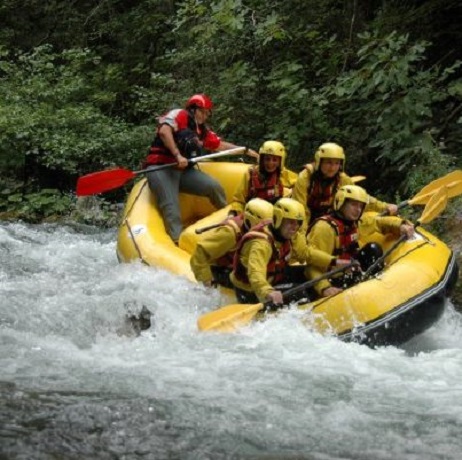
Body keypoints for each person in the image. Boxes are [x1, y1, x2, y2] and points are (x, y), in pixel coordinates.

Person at [143, 94, 259, 243]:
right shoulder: (179, 115)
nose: (205, 116)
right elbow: (164, 132)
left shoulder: (201, 130)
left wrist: (244, 149)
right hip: (161, 168)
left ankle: (232, 220)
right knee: (171, 206)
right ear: (193, 109)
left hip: (183, 171)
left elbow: (220, 145)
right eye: (203, 112)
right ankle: (178, 241)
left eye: (207, 113)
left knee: (213, 186)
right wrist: (178, 155)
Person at [305, 185, 415, 298]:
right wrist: (325, 288)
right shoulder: (323, 228)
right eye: (353, 205)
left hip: (350, 271)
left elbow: (379, 222)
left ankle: (376, 287)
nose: (358, 210)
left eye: (360, 206)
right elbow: (311, 266)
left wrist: (400, 225)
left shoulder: (354, 222)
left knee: (373, 248)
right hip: (331, 278)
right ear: (341, 203)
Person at [230, 197, 342, 306]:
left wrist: (334, 261)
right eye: (290, 222)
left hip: (275, 278)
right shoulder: (261, 243)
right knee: (298, 293)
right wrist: (268, 291)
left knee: (308, 271)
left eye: (298, 222)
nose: (294, 227)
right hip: (252, 291)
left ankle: (324, 292)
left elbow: (306, 254)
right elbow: (256, 273)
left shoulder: (291, 235)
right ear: (278, 219)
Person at [292, 142, 398, 234]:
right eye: (328, 162)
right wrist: (303, 233)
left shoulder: (342, 179)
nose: (332, 168)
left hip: (328, 218)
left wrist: (384, 206)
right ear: (319, 162)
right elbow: (301, 209)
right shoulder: (305, 177)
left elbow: (360, 198)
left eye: (336, 163)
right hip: (309, 217)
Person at [190, 198, 274, 288]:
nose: (267, 229)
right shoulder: (230, 233)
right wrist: (206, 280)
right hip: (221, 270)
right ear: (251, 220)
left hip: (238, 265)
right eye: (264, 225)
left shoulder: (259, 231)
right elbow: (200, 253)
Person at [228, 140, 297, 217]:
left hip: (275, 218)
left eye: (274, 160)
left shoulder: (283, 174)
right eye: (267, 159)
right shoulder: (250, 175)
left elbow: (300, 184)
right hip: (254, 216)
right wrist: (233, 213)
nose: (270, 163)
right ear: (262, 159)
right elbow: (238, 200)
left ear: (280, 161)